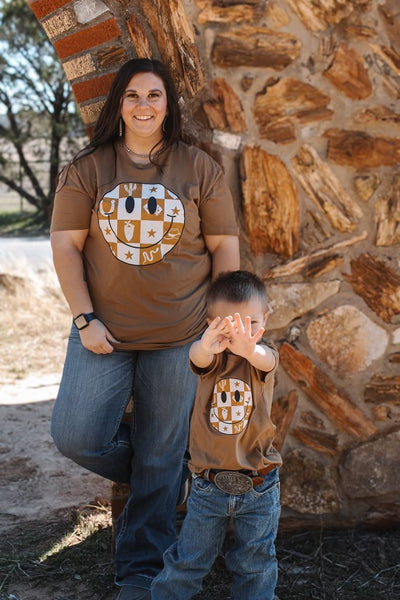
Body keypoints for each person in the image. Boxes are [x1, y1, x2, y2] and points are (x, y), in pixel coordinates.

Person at [49, 58, 239, 600]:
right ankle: (165, 461)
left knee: (160, 454)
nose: (143, 106)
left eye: (154, 95)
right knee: (77, 434)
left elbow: (226, 246)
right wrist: (84, 318)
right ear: (119, 105)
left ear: (167, 105)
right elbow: (65, 245)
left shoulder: (198, 167)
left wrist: (218, 319)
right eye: (132, 96)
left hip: (180, 334)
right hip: (102, 334)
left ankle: (140, 573)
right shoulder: (88, 168)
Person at [151, 270, 282, 600]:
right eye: (227, 325)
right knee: (190, 559)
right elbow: (197, 357)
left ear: (266, 318)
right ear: (210, 322)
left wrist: (248, 346)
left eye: (250, 323)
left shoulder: (262, 358)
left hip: (259, 485)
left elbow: (262, 358)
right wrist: (206, 344)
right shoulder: (211, 360)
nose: (239, 333)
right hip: (208, 485)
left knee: (255, 562)